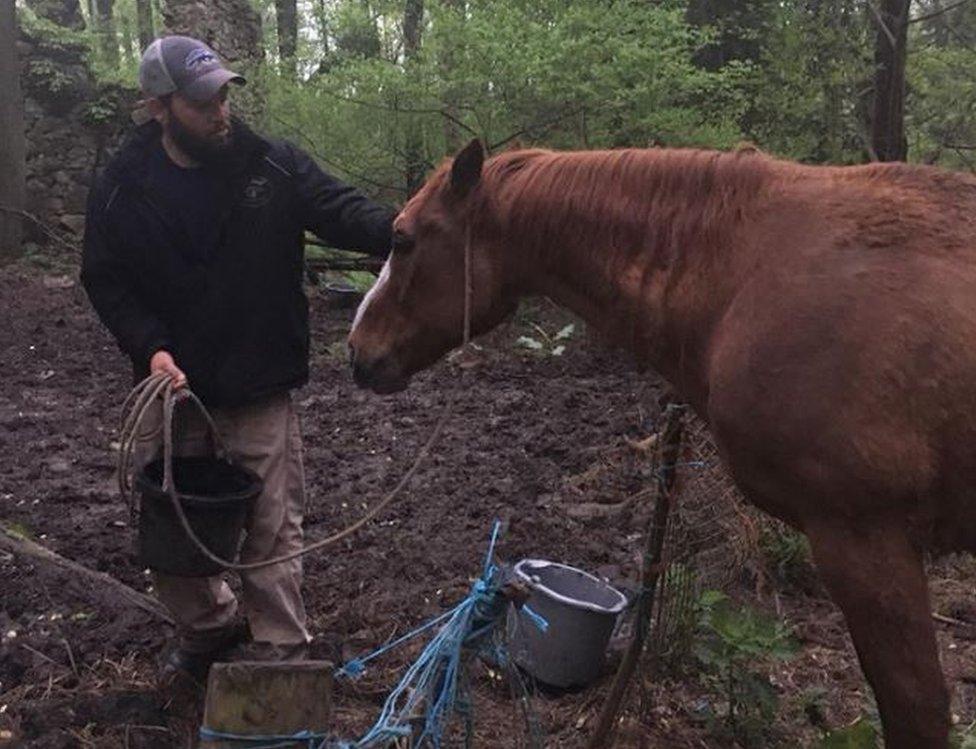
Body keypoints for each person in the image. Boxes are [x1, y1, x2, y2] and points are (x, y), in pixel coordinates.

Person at [81, 35, 393, 682]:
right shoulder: (120, 188)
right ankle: (209, 628)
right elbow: (105, 278)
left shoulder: (269, 165)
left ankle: (280, 648)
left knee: (272, 532)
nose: (220, 110)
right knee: (170, 528)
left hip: (260, 383)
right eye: (203, 102)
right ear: (159, 108)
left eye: (223, 94)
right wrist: (151, 346)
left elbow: (341, 210)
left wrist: (415, 227)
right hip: (173, 389)